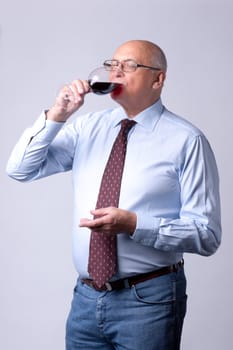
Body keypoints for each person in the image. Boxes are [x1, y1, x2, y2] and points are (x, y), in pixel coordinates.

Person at [6, 40, 221, 350]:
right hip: (85, 298)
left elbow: (207, 235)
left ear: (158, 79)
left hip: (149, 299)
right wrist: (57, 114)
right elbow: (21, 169)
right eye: (112, 65)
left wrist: (135, 225)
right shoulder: (87, 128)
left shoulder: (187, 141)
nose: (116, 72)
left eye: (129, 66)